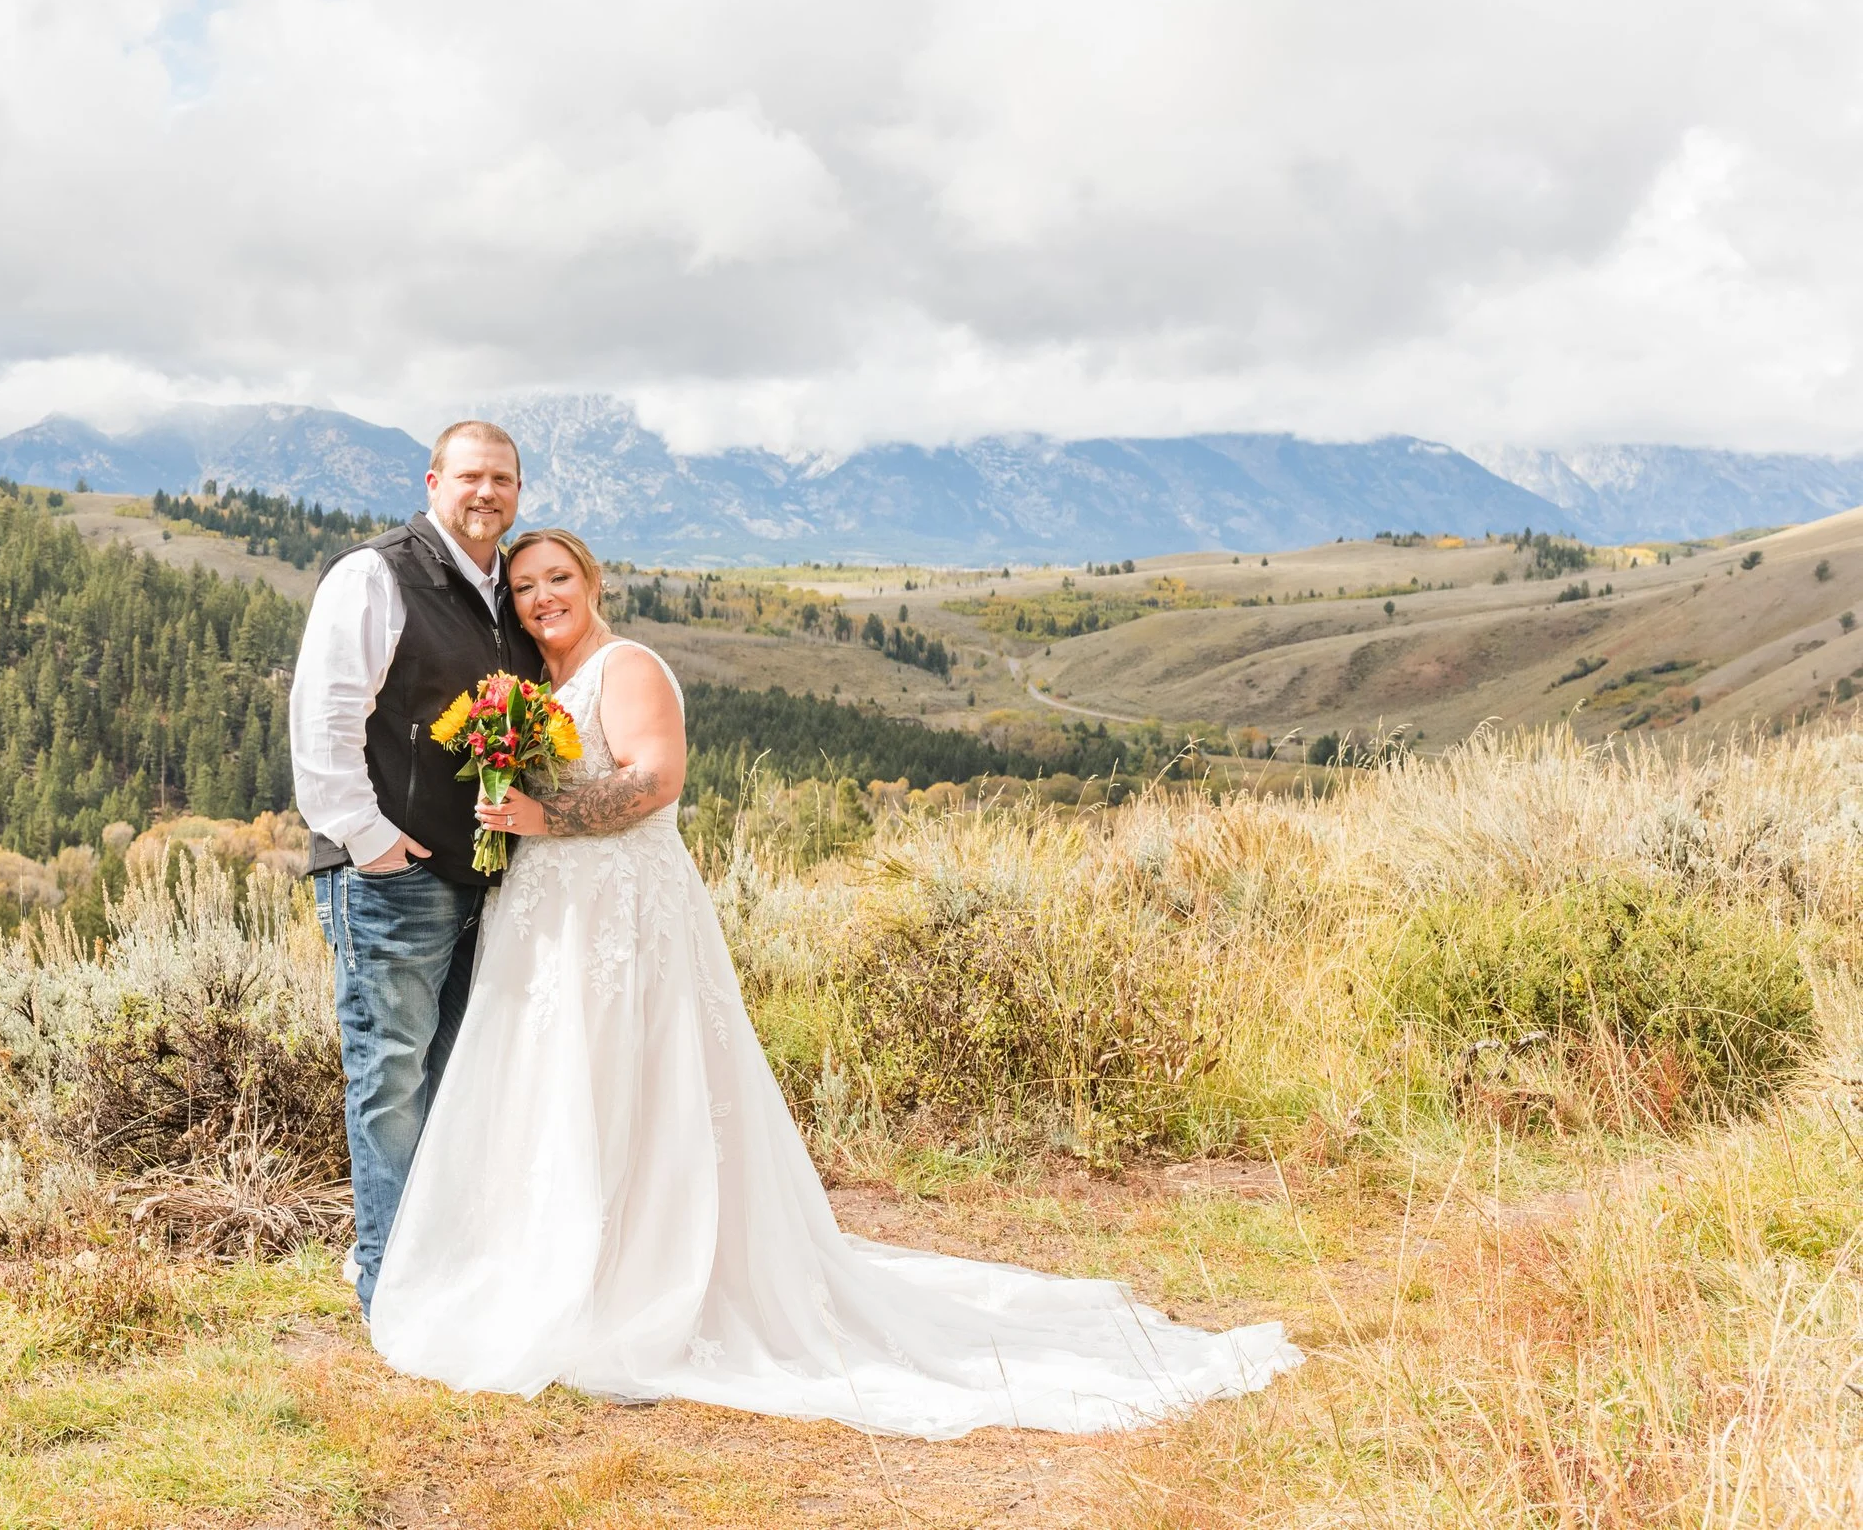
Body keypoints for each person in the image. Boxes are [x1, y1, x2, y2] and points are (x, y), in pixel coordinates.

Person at [367, 528, 1301, 1437]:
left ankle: (639, 1285)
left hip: (625, 920)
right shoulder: (540, 687)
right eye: (525, 586)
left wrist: (546, 814)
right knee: (564, 1089)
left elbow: (655, 780)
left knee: (637, 1089)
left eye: (558, 578)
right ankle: (560, 1267)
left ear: (592, 582)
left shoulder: (627, 666)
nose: (542, 597)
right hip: (560, 924)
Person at [288, 420, 544, 1309]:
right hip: (393, 879)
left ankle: (436, 1266)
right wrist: (370, 841)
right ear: (433, 483)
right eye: (470, 476)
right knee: (389, 1077)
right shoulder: (377, 574)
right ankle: (389, 1286)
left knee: (455, 1076)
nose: (487, 492)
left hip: (478, 881)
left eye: (502, 479)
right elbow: (324, 717)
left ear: (519, 491)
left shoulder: (504, 592)